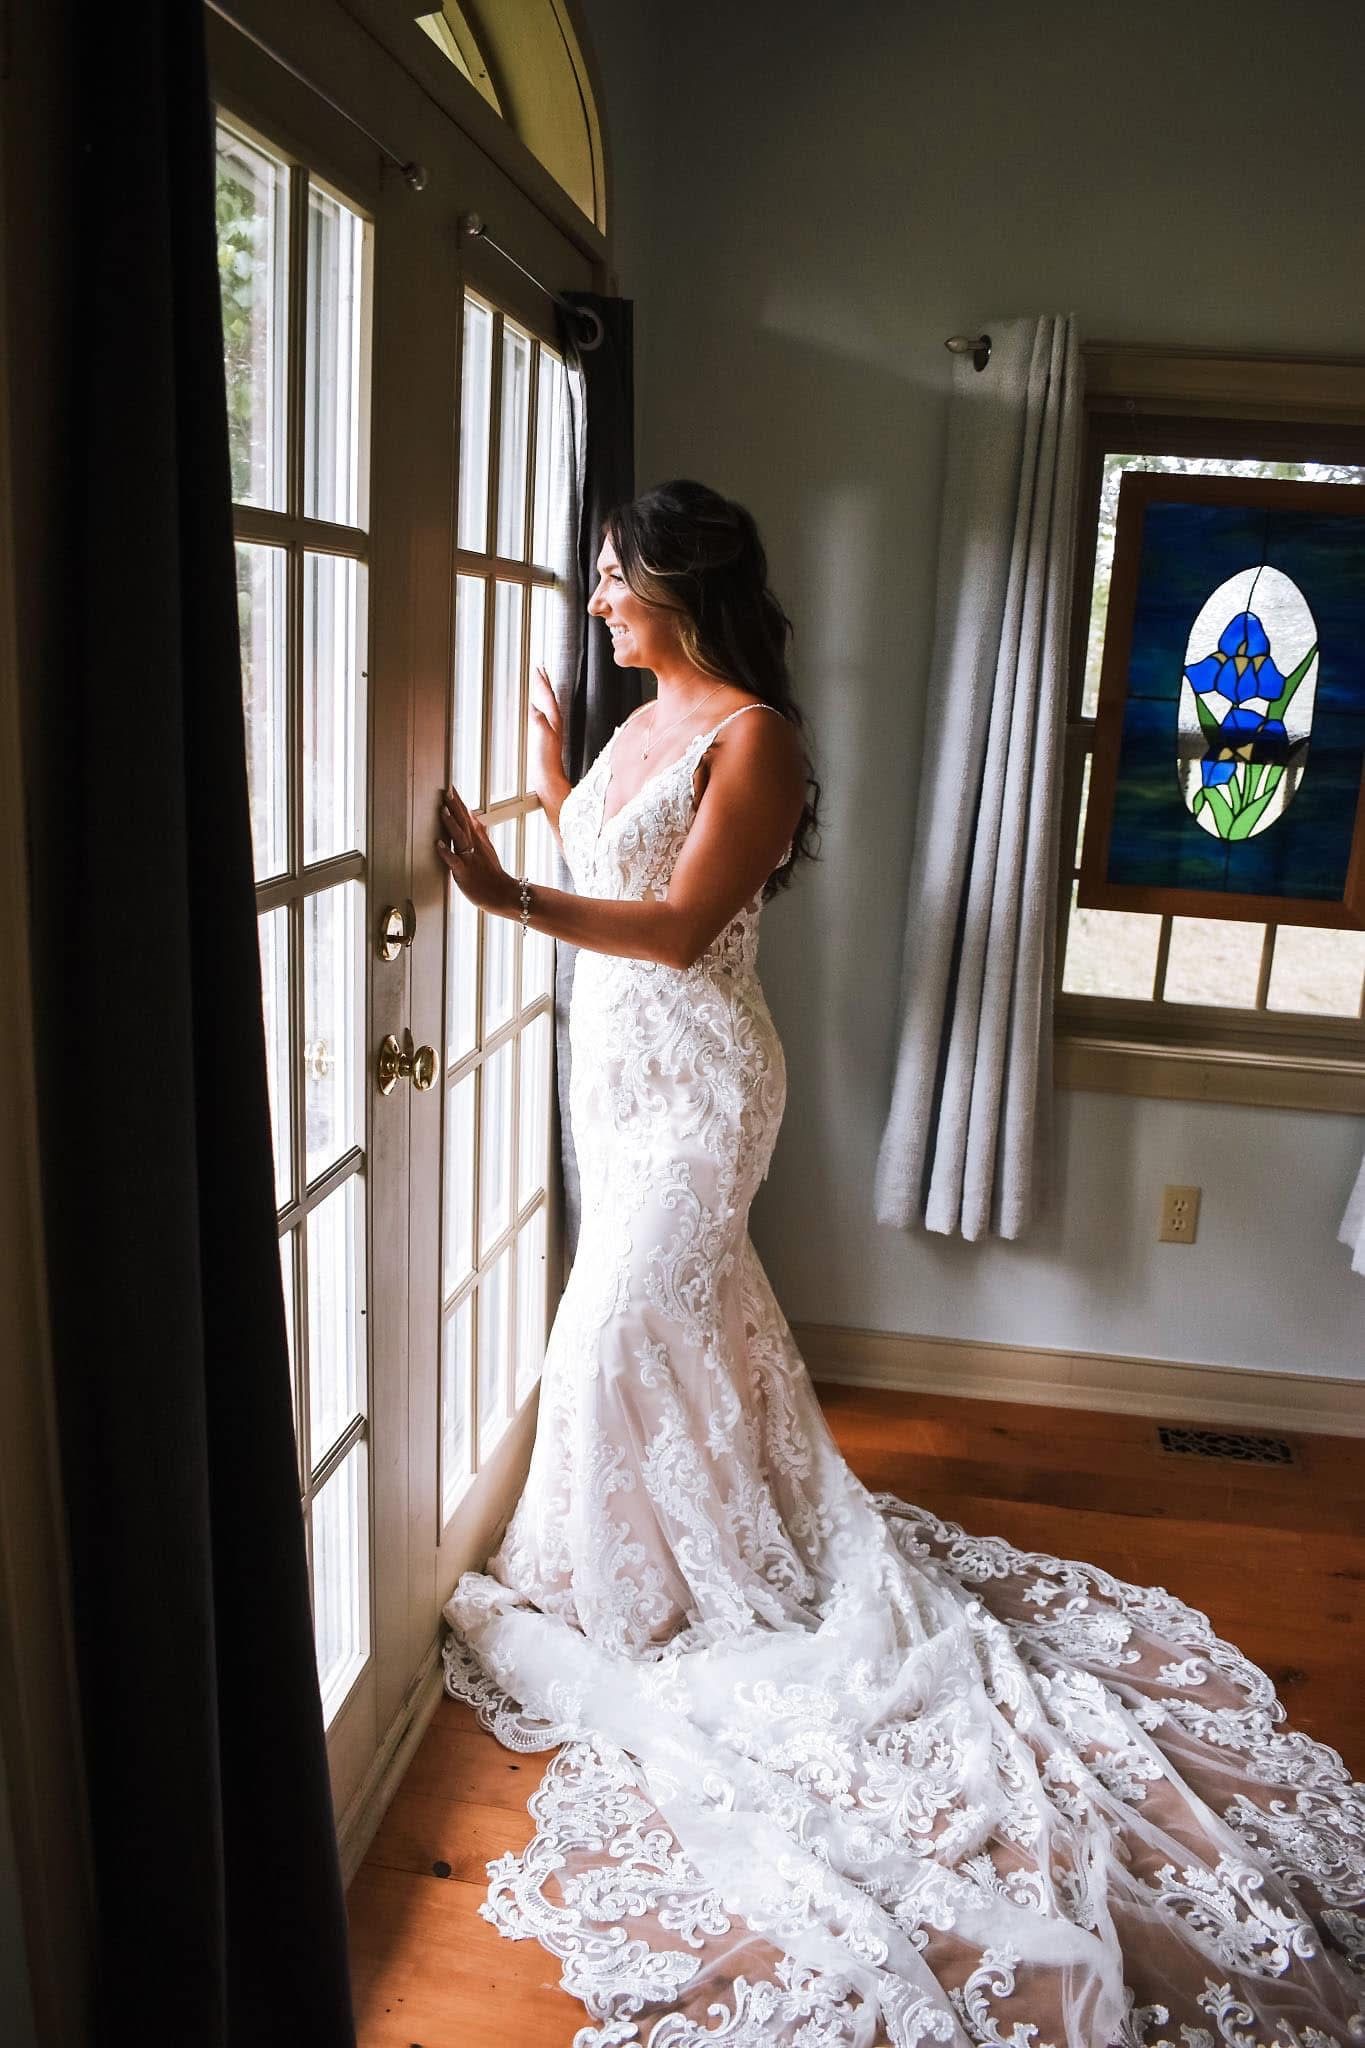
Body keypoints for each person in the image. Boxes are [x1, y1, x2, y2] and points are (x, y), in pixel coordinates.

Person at [436, 479, 1364, 2048]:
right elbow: (614, 845)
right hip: (614, 1078)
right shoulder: (639, 721)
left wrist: (507, 895)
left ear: (678, 584)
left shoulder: (757, 739)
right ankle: (650, 1553)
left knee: (616, 1328)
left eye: (611, 579)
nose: (596, 604)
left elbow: (676, 929)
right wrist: (541, 788)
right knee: (664, 1324)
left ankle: (669, 1579)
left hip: (698, 1086)